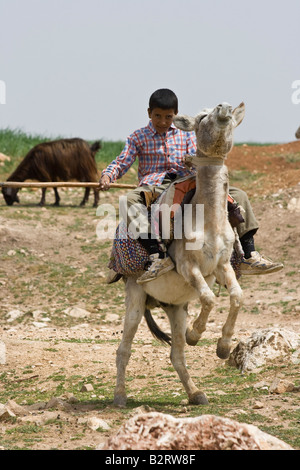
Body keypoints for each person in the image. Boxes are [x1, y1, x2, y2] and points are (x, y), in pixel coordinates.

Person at [100, 89, 283, 283]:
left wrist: (192, 161)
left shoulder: (185, 134)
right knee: (128, 201)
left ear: (176, 115)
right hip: (154, 186)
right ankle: (156, 256)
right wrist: (107, 175)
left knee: (240, 196)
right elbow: (122, 161)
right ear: (149, 113)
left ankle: (249, 255)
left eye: (168, 117)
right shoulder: (138, 137)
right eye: (158, 116)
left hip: (188, 181)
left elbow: (197, 155)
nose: (163, 121)